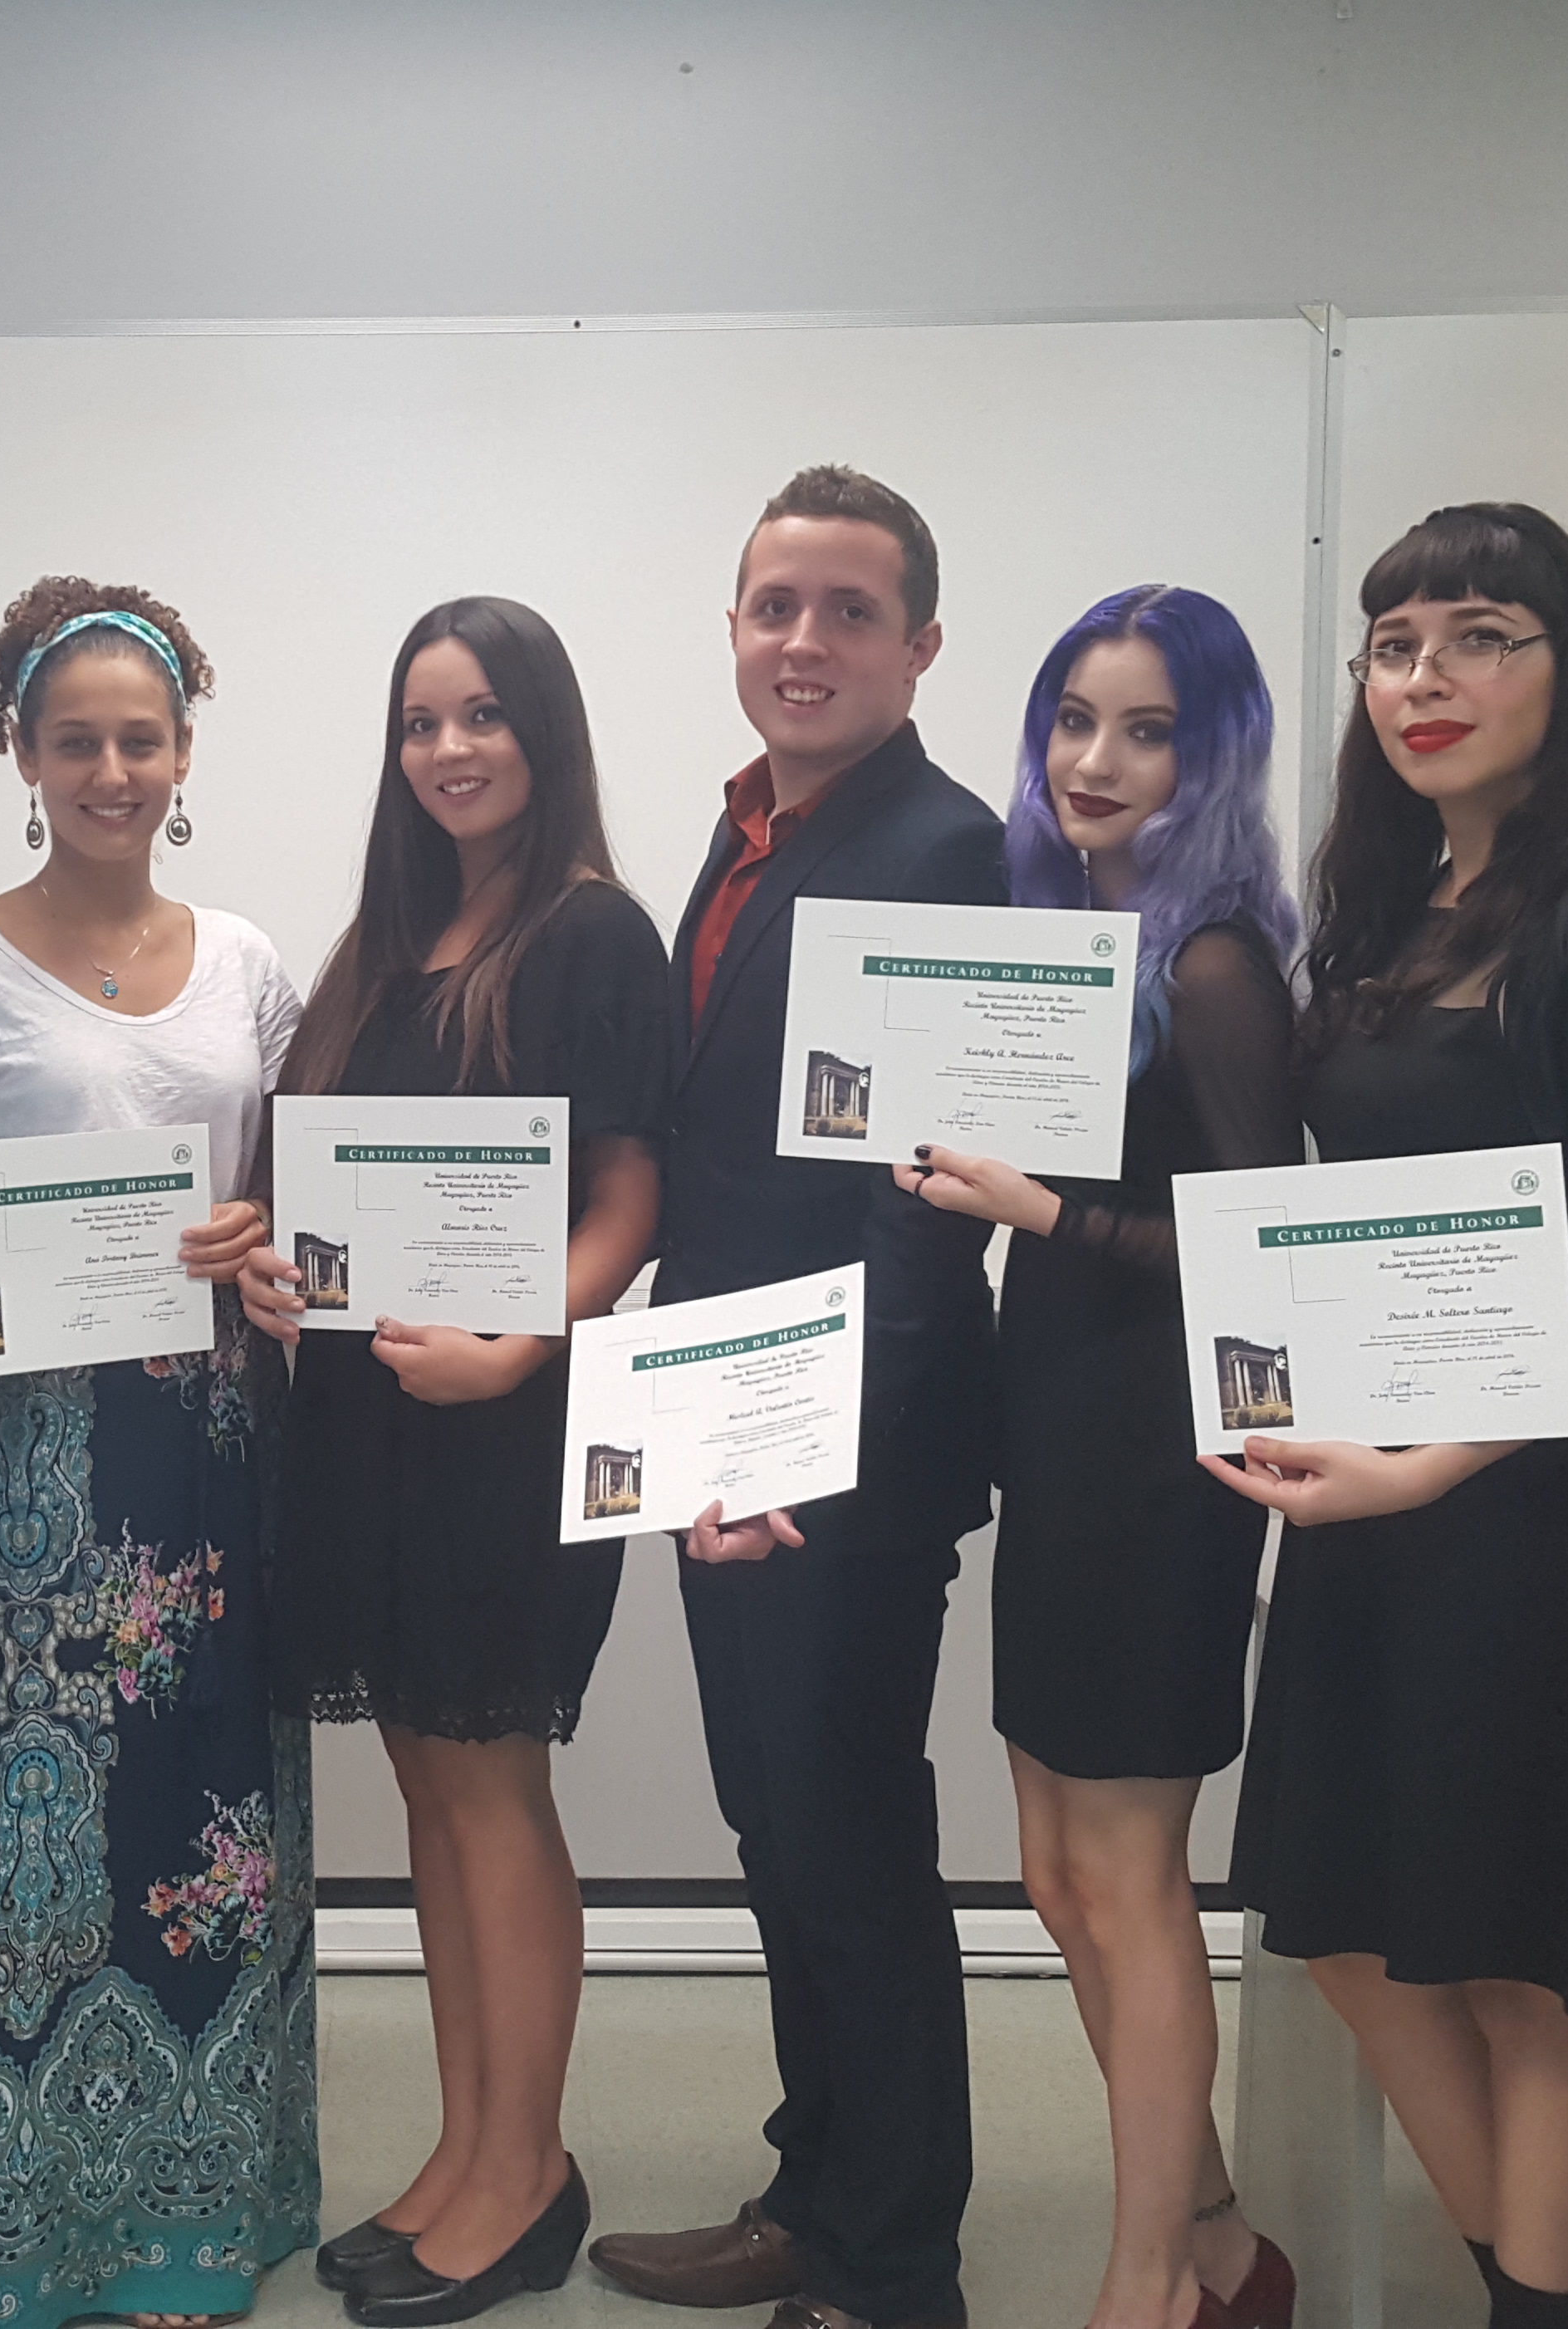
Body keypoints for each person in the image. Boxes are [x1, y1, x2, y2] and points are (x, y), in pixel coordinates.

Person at [1206, 503, 1568, 2329]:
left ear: (1563, 674)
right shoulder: (1387, 904)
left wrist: (1420, 1462)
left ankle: (1548, 2307)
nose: (1430, 678)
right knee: (1348, 1926)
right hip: (1371, 1495)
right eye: (1399, 642)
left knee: (1525, 1972)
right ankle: (1537, 2286)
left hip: (1519, 1509)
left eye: (1484, 634)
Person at [586, 466, 1004, 2329]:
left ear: (918, 645)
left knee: (846, 1841)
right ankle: (812, 2185)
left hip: (837, 1444)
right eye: (776, 607)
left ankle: (887, 2259)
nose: (804, 640)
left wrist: (800, 1462)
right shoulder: (748, 830)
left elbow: (922, 1209)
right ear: (735, 632)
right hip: (720, 1407)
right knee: (781, 1827)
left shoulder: (939, 847)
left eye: (847, 611)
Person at [0, 576, 314, 2329]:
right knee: (38, 1851)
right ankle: (34, 2228)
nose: (112, 768)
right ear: (20, 753)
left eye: (143, 737)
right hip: (34, 1473)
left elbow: (292, 1203)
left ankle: (203, 2219)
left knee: (214, 1824)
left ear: (183, 749)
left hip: (210, 1445)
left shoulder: (254, 964)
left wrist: (255, 1236)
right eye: (78, 740)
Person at [238, 597, 671, 2327]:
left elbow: (631, 1198)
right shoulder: (383, 944)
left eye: (483, 715)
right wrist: (280, 1272)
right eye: (421, 722)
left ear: (542, 734)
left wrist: (521, 1340)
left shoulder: (592, 935)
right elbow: (321, 1195)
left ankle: (529, 2170)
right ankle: (464, 2145)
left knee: (494, 1793)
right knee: (427, 1793)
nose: (449, 749)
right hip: (362, 1432)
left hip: (507, 1431)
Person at [889, 586, 1298, 2329]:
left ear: (1210, 757)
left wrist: (1037, 1206)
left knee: (1129, 1884)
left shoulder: (1211, 961)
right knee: (1055, 1873)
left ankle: (1152, 2288)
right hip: (1056, 1446)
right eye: (1072, 719)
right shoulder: (1062, 932)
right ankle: (1206, 2230)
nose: (1094, 760)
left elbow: (1263, 1250)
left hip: (1161, 1471)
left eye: (1145, 730)